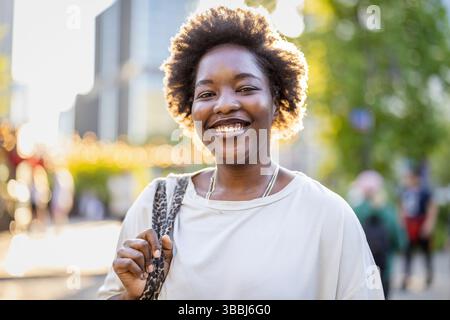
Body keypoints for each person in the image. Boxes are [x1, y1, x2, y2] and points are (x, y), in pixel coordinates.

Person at [98, 6, 384, 300]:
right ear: (190, 108)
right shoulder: (157, 204)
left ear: (276, 100)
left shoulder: (327, 215)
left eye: (245, 88)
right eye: (207, 94)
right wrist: (133, 298)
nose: (223, 105)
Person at [352, 170, 406, 298]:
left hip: (366, 267)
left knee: (370, 294)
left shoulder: (355, 211)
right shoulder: (388, 210)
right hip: (385, 263)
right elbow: (399, 239)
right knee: (383, 294)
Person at [399, 166, 438, 289]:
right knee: (407, 252)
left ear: (416, 178)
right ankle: (406, 277)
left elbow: (432, 207)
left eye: (410, 177)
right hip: (410, 225)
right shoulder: (405, 191)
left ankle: (428, 275)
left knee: (426, 252)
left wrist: (428, 224)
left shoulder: (425, 192)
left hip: (421, 223)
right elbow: (401, 207)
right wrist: (401, 222)